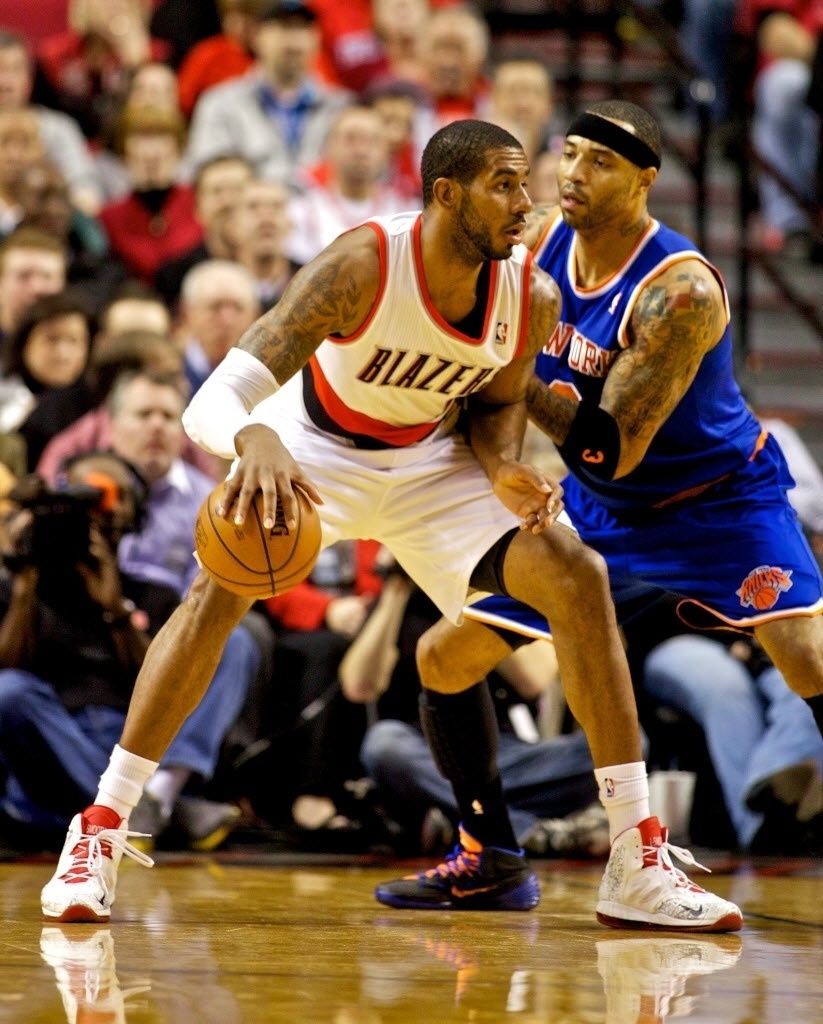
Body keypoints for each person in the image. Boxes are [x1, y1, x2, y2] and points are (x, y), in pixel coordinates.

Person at [40, 117, 741, 933]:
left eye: (525, 182)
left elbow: (496, 405)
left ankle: (637, 858)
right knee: (214, 596)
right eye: (505, 184)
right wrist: (256, 436)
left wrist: (505, 468)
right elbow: (217, 396)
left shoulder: (530, 292)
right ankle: (99, 829)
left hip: (431, 462)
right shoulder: (362, 263)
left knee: (576, 576)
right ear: (447, 194)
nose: (528, 201)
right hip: (309, 448)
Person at [426, 98, 823, 865]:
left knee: (806, 661)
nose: (572, 172)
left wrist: (492, 372)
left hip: (716, 508)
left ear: (643, 180)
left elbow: (610, 449)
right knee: (445, 657)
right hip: (599, 512)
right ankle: (489, 858)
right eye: (568, 152)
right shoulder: (533, 240)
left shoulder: (679, 292)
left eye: (598, 161)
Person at [340, 548, 605, 857]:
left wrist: (462, 587)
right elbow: (359, 686)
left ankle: (458, 820)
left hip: (504, 756)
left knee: (622, 743)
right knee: (383, 744)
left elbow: (534, 679)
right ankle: (523, 829)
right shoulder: (399, 602)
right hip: (424, 754)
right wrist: (396, 588)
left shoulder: (495, 596)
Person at [182, 0, 352, 186]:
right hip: (248, 211)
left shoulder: (342, 109)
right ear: (257, 36)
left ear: (317, 39)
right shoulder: (221, 104)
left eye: (302, 29)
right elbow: (208, 177)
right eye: (283, 28)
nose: (293, 41)